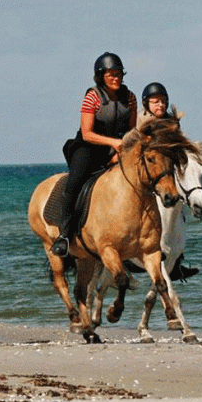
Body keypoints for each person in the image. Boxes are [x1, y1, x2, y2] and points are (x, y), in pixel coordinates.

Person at [50, 52, 137, 257]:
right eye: (111, 74)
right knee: (76, 181)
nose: (116, 78)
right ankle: (65, 235)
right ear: (101, 76)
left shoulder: (130, 98)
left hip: (117, 149)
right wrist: (114, 143)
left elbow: (132, 132)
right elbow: (88, 133)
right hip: (88, 147)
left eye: (119, 74)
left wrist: (124, 150)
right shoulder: (92, 97)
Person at [138, 81, 199, 280]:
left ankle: (176, 260)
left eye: (163, 101)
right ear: (147, 104)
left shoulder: (172, 122)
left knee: (179, 209)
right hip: (146, 171)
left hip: (166, 172)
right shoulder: (140, 121)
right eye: (155, 101)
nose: (160, 105)